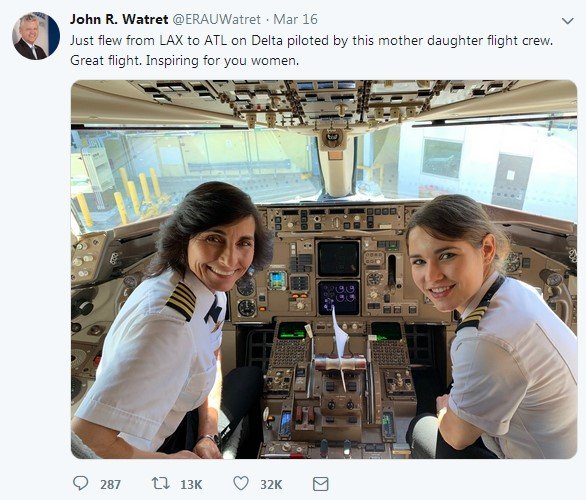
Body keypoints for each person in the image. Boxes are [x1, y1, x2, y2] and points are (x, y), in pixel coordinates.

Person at [72, 182, 273, 458]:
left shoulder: (208, 286)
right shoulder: (167, 326)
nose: (229, 260)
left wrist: (207, 435)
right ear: (185, 238)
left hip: (182, 412)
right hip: (140, 448)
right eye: (214, 238)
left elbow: (209, 355)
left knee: (250, 376)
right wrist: (173, 463)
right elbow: (87, 442)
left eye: (243, 243)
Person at [405, 194, 577, 459]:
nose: (431, 276)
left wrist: (443, 409)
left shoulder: (485, 339)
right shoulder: (518, 290)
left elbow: (457, 437)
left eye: (447, 255)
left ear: (486, 249)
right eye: (419, 261)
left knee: (421, 426)